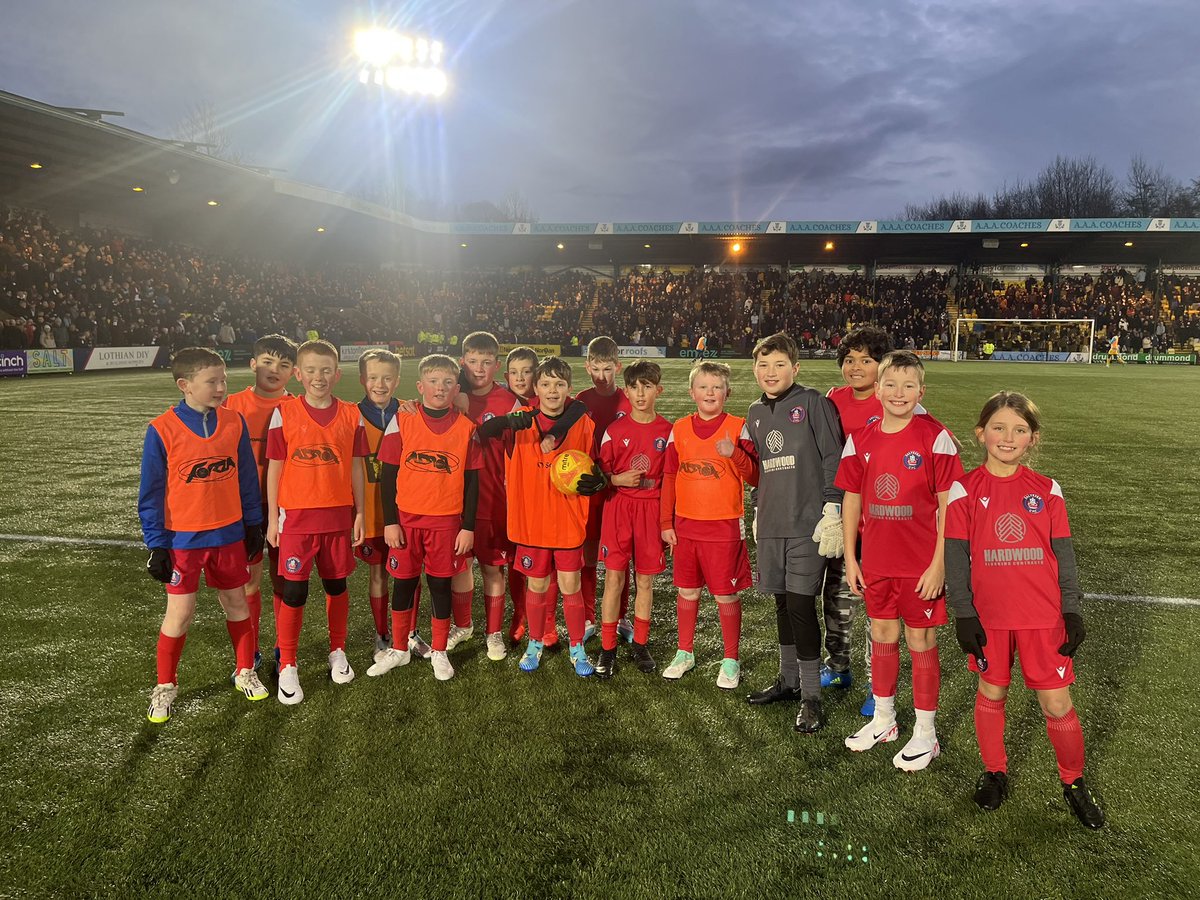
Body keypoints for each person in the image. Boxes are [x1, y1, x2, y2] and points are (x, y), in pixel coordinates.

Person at [945, 391, 1104, 828]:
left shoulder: (1047, 489)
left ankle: (1073, 783)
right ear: (981, 434)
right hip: (990, 618)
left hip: (1043, 616)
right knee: (992, 692)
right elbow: (956, 558)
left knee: (1056, 703)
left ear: (1033, 439)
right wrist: (964, 613)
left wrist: (1070, 610)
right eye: (998, 427)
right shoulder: (965, 489)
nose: (1008, 437)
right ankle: (995, 772)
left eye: (1019, 430)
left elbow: (1064, 555)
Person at [837, 350, 963, 771]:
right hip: (876, 561)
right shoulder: (863, 438)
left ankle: (926, 732)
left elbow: (950, 506)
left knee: (920, 641)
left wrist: (939, 564)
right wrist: (851, 558)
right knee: (882, 634)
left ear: (921, 392)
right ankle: (885, 719)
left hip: (920, 565)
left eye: (909, 386)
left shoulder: (935, 436)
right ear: (877, 389)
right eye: (890, 384)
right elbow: (851, 498)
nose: (898, 393)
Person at [139, 347, 268, 723]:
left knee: (237, 604)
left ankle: (245, 670)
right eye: (212, 381)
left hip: (228, 535)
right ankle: (165, 686)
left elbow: (246, 477)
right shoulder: (161, 429)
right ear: (185, 384)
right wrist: (157, 544)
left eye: (223, 379)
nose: (221, 387)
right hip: (184, 542)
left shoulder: (234, 422)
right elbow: (150, 493)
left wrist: (253, 524)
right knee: (179, 614)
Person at [477, 356, 607, 676]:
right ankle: (535, 641)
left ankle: (576, 648)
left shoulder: (583, 423)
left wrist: (596, 480)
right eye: (546, 384)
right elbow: (483, 433)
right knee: (536, 585)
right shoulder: (520, 419)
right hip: (532, 521)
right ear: (535, 388)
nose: (552, 390)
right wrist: (505, 422)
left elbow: (593, 466)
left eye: (559, 384)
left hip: (567, 520)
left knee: (570, 584)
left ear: (569, 389)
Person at [741, 333, 844, 733]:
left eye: (780, 364)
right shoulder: (753, 413)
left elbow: (834, 456)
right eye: (764, 365)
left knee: (802, 607)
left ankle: (811, 697)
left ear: (795, 368)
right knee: (782, 605)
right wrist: (755, 510)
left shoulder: (813, 402)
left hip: (807, 525)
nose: (771, 372)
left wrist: (832, 506)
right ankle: (787, 681)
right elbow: (758, 469)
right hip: (770, 523)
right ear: (755, 369)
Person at [265, 339, 368, 705]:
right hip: (296, 519)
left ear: (337, 374)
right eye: (310, 370)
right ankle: (288, 663)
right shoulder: (285, 412)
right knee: (294, 591)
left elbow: (357, 466)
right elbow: (275, 467)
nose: (318, 377)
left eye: (326, 370)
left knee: (336, 586)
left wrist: (361, 513)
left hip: (338, 516)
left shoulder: (351, 414)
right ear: (298, 374)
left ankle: (337, 650)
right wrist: (273, 518)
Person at [367, 354, 481, 681]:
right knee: (403, 583)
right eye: (433, 382)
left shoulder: (466, 427)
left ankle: (441, 650)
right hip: (406, 521)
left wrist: (468, 527)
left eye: (447, 383)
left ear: (456, 388)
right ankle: (400, 649)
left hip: (446, 523)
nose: (440, 388)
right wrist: (390, 521)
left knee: (439, 584)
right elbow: (388, 475)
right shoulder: (402, 420)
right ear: (420, 386)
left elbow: (473, 482)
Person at [659, 361, 757, 690]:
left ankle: (731, 659)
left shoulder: (737, 426)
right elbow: (669, 476)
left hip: (724, 527)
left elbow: (755, 476)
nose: (710, 392)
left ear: (727, 392)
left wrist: (735, 455)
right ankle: (684, 651)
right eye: (703, 387)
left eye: (716, 387)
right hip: (685, 526)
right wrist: (665, 521)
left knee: (725, 594)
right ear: (692, 393)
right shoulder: (680, 427)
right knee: (687, 590)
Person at [223, 333, 297, 670]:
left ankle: (283, 647)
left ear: (293, 372)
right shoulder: (231, 406)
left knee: (285, 578)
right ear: (253, 364)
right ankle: (249, 651)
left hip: (288, 507)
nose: (274, 370)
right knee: (249, 580)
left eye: (283, 364)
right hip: (244, 509)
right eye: (267, 361)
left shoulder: (297, 408)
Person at [447, 332, 522, 662]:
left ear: (497, 365)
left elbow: (522, 455)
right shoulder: (447, 395)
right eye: (473, 361)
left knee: (493, 569)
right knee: (458, 567)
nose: (479, 368)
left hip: (493, 501)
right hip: (451, 501)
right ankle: (463, 626)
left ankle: (493, 633)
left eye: (487, 362)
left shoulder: (510, 403)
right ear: (463, 361)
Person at [594, 361, 672, 677]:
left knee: (645, 580)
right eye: (635, 387)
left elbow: (672, 478)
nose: (641, 394)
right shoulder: (615, 430)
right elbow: (599, 474)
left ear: (658, 390)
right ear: (626, 392)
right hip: (619, 508)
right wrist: (616, 480)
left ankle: (640, 643)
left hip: (651, 509)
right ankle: (608, 647)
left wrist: (668, 520)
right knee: (614, 578)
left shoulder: (669, 431)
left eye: (647, 386)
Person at [353, 348, 429, 659]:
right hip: (372, 512)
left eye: (387, 378)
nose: (380, 384)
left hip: (407, 511)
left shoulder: (410, 413)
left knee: (410, 573)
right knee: (379, 574)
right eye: (373, 377)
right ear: (362, 379)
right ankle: (382, 633)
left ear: (397, 380)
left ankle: (410, 632)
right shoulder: (351, 414)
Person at [576, 336, 632, 638]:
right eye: (595, 369)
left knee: (619, 557)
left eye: (607, 369)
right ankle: (587, 619)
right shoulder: (579, 401)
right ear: (587, 367)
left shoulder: (628, 400)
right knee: (587, 554)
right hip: (588, 490)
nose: (601, 376)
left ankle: (622, 617)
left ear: (618, 367)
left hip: (620, 491)